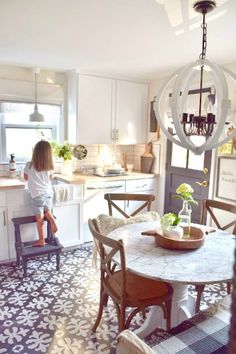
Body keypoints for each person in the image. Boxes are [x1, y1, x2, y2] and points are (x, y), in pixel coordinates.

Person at [24, 140, 58, 246]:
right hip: (48, 193)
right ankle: (52, 219)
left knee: (39, 218)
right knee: (47, 210)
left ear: (35, 152)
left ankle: (41, 240)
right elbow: (50, 179)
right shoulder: (49, 167)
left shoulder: (29, 165)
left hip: (37, 195)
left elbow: (25, 178)